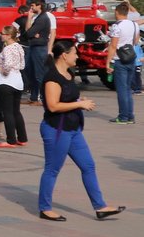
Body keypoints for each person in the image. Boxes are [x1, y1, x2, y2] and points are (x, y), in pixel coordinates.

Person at [37, 40, 126, 222]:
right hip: (57, 130)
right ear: (64, 55)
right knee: (52, 169)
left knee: (88, 166)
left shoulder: (69, 73)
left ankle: (100, 206)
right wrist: (79, 104)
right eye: (74, 53)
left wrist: (79, 100)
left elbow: (68, 97)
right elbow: (53, 106)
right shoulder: (52, 78)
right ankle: (45, 208)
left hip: (73, 129)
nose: (77, 56)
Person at [0, 24, 28, 148]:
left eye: (2, 34)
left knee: (7, 112)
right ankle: (22, 137)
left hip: (6, 82)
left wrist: (2, 69)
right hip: (17, 81)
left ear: (8, 36)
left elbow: (7, 65)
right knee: (16, 111)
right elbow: (22, 65)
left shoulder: (7, 49)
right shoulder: (19, 47)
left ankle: (11, 140)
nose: (1, 35)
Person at [106, 1, 139, 124]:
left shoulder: (116, 26)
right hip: (131, 58)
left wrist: (108, 62)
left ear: (117, 12)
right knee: (128, 89)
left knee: (121, 90)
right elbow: (136, 41)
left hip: (119, 59)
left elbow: (113, 45)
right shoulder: (134, 24)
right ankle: (130, 116)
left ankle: (123, 117)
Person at [24, 0, 54, 105]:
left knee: (40, 74)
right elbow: (28, 31)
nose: (31, 8)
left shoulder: (43, 18)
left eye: (33, 6)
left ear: (39, 6)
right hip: (33, 47)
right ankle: (34, 97)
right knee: (30, 71)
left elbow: (29, 33)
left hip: (40, 48)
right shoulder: (37, 17)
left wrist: (33, 33)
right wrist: (29, 19)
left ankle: (43, 98)